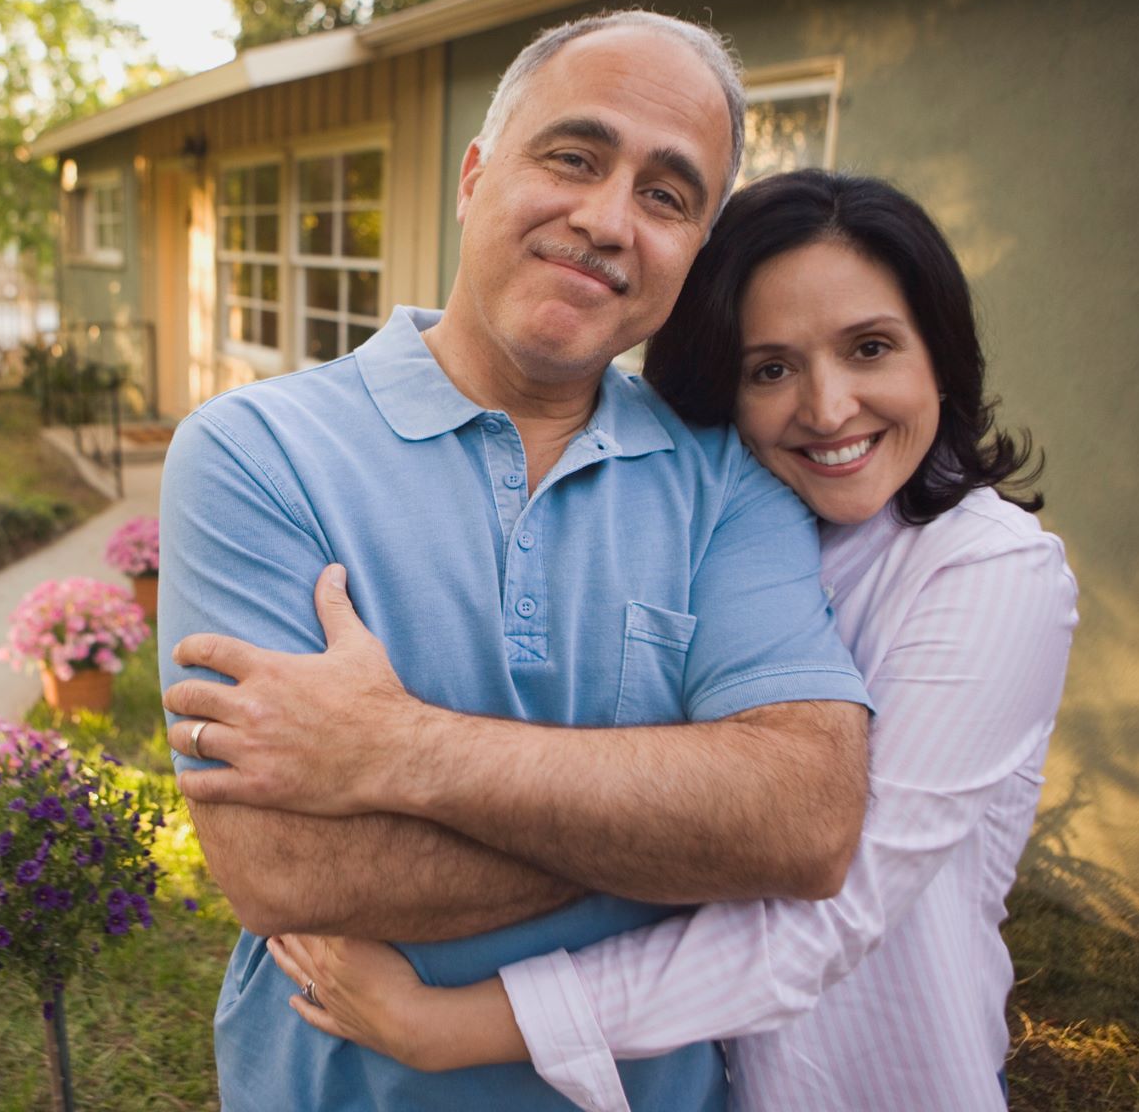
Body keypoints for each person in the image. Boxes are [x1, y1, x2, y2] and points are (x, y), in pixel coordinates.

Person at [156, 11, 875, 1111]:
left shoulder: (731, 477)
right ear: (475, 176)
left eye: (667, 195)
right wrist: (685, 831)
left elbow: (805, 821)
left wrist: (397, 751)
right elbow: (285, 870)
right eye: (574, 157)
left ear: (692, 252)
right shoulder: (258, 453)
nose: (607, 218)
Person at [239, 171, 1078, 1111]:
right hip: (708, 1082)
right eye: (771, 368)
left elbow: (826, 904)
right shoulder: (731, 515)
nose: (829, 407)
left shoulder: (989, 569)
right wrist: (679, 819)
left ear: (941, 357)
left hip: (879, 1081)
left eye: (870, 348)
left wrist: (449, 1025)